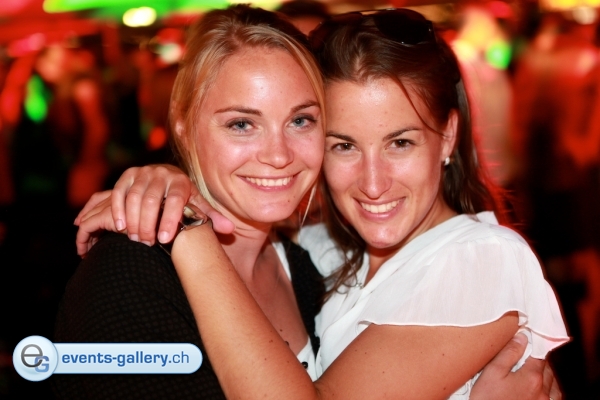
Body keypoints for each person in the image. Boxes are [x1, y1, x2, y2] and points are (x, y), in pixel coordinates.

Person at [74, 7, 567, 400]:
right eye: (344, 144)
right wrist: (170, 183)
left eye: (400, 142)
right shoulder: (316, 253)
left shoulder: (480, 259)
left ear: (449, 137)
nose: (373, 184)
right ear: (182, 127)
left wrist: (190, 230)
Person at [52, 6, 326, 399]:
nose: (279, 155)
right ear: (183, 126)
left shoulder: (305, 268)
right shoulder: (130, 273)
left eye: (300, 120)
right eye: (242, 124)